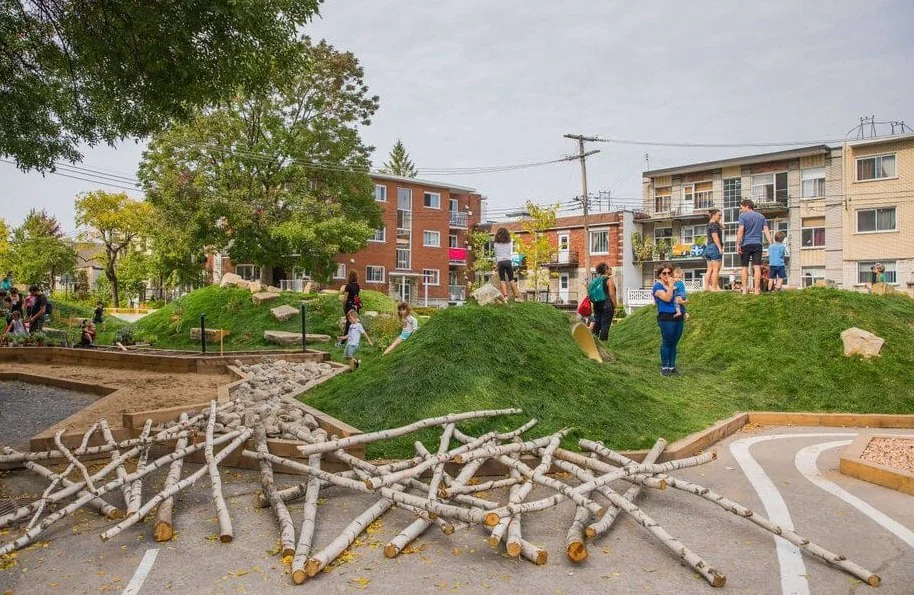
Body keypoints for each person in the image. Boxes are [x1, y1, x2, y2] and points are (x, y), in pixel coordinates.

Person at [653, 264, 684, 377]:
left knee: (674, 342)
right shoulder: (657, 286)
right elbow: (667, 298)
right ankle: (664, 367)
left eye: (669, 273)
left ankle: (672, 366)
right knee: (667, 342)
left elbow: (680, 298)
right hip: (666, 317)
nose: (667, 275)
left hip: (678, 316)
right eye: (664, 273)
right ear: (659, 275)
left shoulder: (675, 284)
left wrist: (684, 306)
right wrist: (671, 286)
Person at [736, 199, 773, 294]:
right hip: (757, 244)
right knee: (757, 267)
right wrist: (771, 244)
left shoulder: (742, 216)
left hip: (746, 244)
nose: (741, 210)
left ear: (747, 206)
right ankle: (757, 290)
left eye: (742, 208)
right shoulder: (761, 216)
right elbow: (766, 231)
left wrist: (738, 244)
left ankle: (744, 290)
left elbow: (741, 230)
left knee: (744, 267)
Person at [588, 263, 617, 341]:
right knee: (605, 325)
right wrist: (615, 307)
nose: (610, 269)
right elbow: (612, 295)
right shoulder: (609, 280)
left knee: (597, 324)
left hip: (596, 305)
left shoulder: (596, 280)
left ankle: (594, 342)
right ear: (605, 270)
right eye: (609, 268)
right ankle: (603, 343)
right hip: (607, 305)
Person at [493, 227, 520, 301]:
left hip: (500, 262)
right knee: (511, 280)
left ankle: (505, 296)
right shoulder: (509, 243)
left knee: (502, 280)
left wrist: (496, 265)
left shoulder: (496, 244)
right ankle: (517, 297)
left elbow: (496, 256)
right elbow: (509, 253)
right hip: (508, 262)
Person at [704, 209, 724, 291]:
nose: (720, 217)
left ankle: (707, 287)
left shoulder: (710, 224)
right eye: (719, 215)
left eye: (721, 215)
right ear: (713, 215)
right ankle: (714, 288)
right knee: (716, 269)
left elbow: (723, 227)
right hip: (714, 247)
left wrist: (717, 220)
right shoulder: (714, 225)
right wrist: (720, 248)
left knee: (709, 269)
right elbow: (715, 237)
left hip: (708, 247)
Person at [340, 270, 361, 339]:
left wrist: (343, 305)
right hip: (356, 306)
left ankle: (343, 341)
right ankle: (354, 338)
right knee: (354, 322)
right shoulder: (357, 286)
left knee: (348, 323)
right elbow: (356, 296)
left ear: (349, 277)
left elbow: (345, 298)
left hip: (349, 306)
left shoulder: (348, 286)